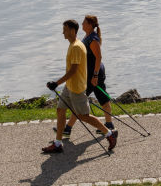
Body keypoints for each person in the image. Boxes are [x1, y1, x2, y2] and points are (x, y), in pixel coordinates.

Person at [42, 19, 117, 154]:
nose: (62, 32)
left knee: (84, 116)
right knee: (60, 111)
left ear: (72, 30)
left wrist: (56, 83)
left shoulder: (76, 47)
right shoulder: (73, 44)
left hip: (76, 88)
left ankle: (109, 134)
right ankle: (58, 143)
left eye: (65, 29)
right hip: (69, 86)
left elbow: (73, 70)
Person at [63, 14, 113, 139]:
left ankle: (68, 128)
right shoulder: (88, 36)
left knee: (80, 98)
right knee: (100, 98)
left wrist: (95, 76)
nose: (82, 24)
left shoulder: (93, 39)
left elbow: (98, 57)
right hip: (90, 73)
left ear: (90, 25)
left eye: (84, 22)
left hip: (94, 74)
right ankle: (109, 124)